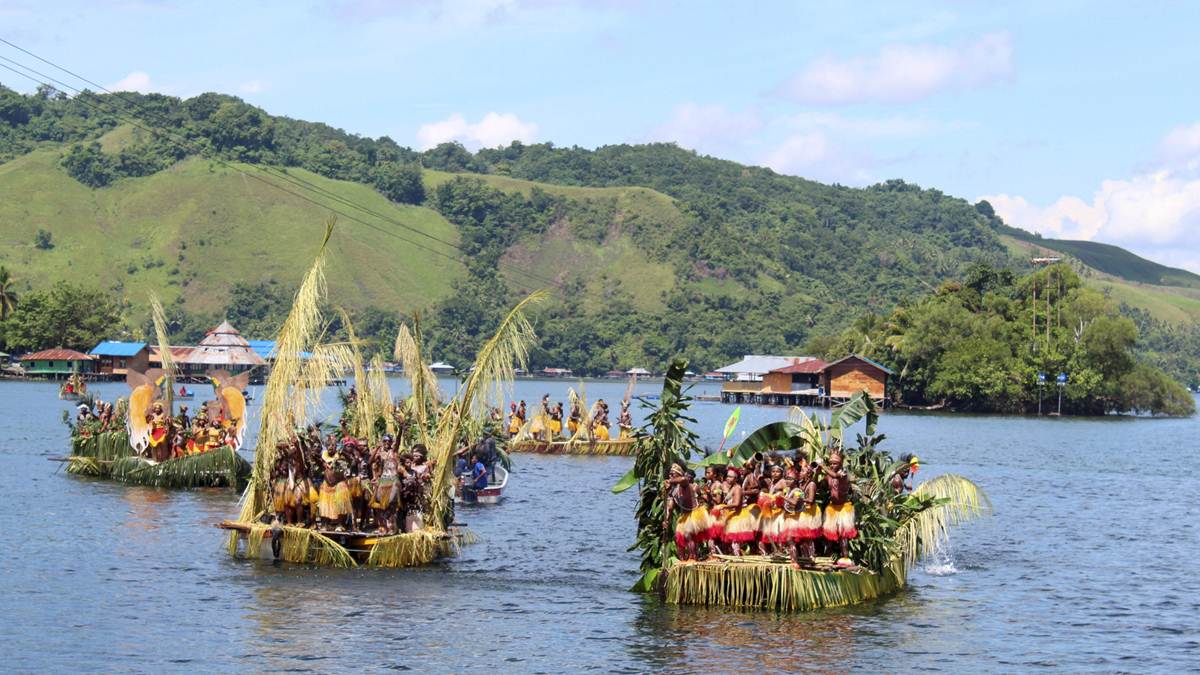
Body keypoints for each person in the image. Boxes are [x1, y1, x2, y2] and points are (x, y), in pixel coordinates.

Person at [665, 463, 709, 561]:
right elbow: (670, 507)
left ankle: (693, 558)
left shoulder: (685, 484)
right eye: (670, 474)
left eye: (673, 474)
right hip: (684, 516)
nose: (670, 476)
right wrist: (667, 520)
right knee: (678, 538)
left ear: (679, 474)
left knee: (689, 536)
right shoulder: (674, 490)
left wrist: (670, 481)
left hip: (694, 514)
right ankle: (682, 560)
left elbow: (683, 479)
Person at [823, 451, 857, 565]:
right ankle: (827, 559)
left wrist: (822, 465)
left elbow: (835, 476)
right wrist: (816, 472)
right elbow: (821, 485)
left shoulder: (843, 474)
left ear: (841, 463)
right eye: (830, 463)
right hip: (832, 508)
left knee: (843, 536)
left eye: (835, 463)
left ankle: (845, 559)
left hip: (843, 508)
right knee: (829, 536)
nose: (832, 465)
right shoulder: (828, 475)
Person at [721, 469, 754, 555]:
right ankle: (737, 557)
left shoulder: (737, 488)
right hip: (733, 515)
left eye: (730, 477)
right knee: (733, 542)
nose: (728, 478)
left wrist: (723, 507)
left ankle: (738, 559)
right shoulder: (732, 488)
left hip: (739, 516)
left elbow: (736, 503)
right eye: (727, 476)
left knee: (735, 542)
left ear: (736, 478)